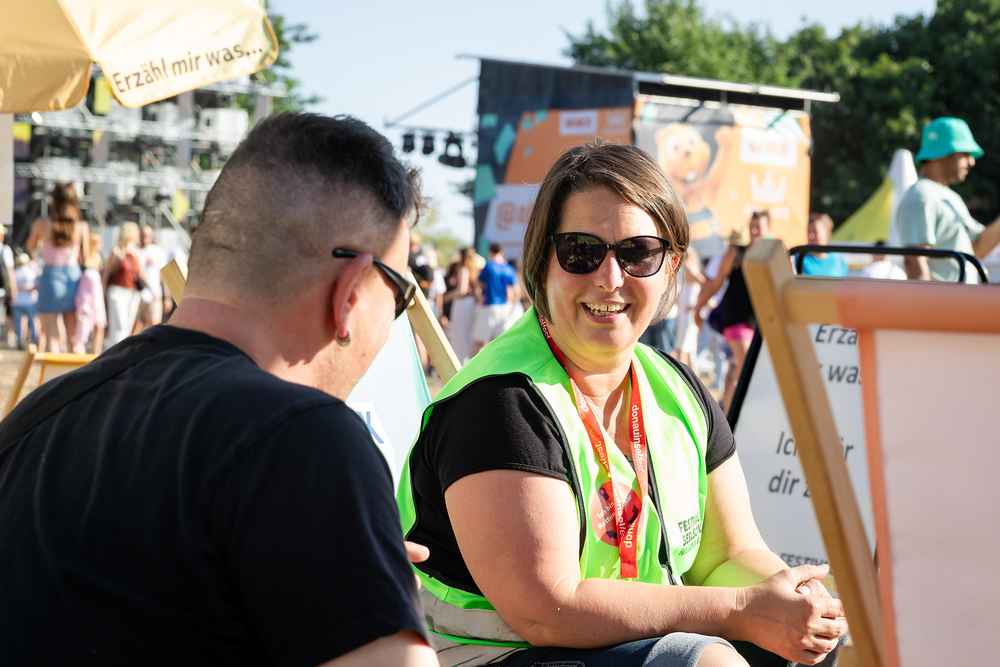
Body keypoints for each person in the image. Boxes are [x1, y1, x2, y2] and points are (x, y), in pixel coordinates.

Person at [0, 112, 437, 667]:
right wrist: (385, 598)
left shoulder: (33, 419)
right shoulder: (304, 438)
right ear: (349, 293)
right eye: (400, 297)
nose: (397, 319)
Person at [397, 143, 845, 667]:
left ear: (670, 266)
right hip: (494, 652)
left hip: (620, 635)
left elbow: (729, 555)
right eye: (581, 251)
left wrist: (791, 598)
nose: (610, 277)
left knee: (801, 643)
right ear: (543, 262)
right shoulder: (499, 403)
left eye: (638, 253)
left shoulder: (679, 388)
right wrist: (743, 609)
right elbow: (549, 609)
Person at [897, 117, 1000, 282]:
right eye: (965, 153)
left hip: (961, 297)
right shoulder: (920, 197)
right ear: (942, 152)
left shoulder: (950, 197)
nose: (972, 161)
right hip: (944, 299)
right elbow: (914, 263)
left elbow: (978, 247)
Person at [694, 214, 769, 412]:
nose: (754, 231)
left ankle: (728, 410)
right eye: (752, 227)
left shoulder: (769, 258)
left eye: (758, 227)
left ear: (767, 229)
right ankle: (732, 413)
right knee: (746, 366)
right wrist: (698, 307)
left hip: (757, 322)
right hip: (735, 319)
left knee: (740, 369)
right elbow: (715, 283)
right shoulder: (736, 255)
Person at [26, 183, 90, 353]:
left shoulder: (42, 223)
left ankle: (56, 370)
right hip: (73, 277)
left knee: (51, 336)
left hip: (50, 277)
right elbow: (84, 258)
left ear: (54, 200)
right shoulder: (81, 226)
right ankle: (79, 370)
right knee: (73, 338)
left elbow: (30, 246)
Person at [471, 242, 517, 356]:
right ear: (502, 252)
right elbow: (514, 290)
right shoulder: (509, 268)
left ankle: (471, 367)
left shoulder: (489, 266)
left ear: (490, 252)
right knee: (501, 344)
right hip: (505, 307)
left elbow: (478, 284)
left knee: (479, 342)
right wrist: (512, 306)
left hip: (490, 306)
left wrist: (477, 298)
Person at [103, 221, 144, 347]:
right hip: (117, 291)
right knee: (119, 326)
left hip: (132, 293)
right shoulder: (116, 252)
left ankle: (121, 352)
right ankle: (114, 351)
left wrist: (154, 292)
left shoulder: (136, 252)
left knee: (127, 327)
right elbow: (106, 274)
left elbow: (140, 273)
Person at [442, 246, 479, 363]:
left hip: (462, 303)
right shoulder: (474, 269)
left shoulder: (463, 269)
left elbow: (462, 290)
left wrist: (447, 296)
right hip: (471, 304)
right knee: (468, 335)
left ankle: (460, 363)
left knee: (459, 336)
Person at [73, 235, 107, 354]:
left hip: (96, 300)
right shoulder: (87, 268)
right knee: (83, 333)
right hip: (90, 301)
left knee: (99, 328)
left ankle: (96, 355)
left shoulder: (98, 259)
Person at [134, 224, 169, 333]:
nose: (145, 237)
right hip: (136, 296)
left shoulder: (157, 251)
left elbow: (163, 275)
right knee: (135, 329)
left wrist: (166, 297)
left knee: (154, 329)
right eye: (143, 235)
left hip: (154, 296)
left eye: (148, 235)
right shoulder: (134, 251)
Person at [11, 253, 37, 349]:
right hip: (29, 301)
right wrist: (27, 290)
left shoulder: (14, 272)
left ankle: (20, 342)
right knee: (32, 322)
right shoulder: (31, 272)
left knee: (18, 323)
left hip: (16, 301)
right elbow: (35, 286)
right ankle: (34, 341)